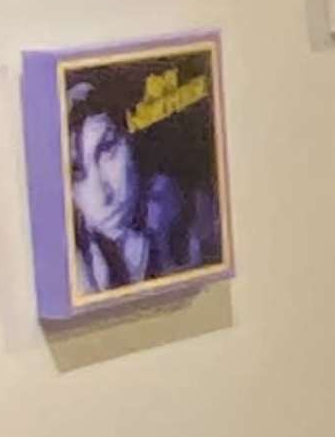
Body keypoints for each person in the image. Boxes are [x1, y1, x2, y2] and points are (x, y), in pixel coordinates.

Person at [66, 57, 221, 295]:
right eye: (77, 171)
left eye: (107, 148)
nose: (102, 193)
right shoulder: (77, 269)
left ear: (129, 138)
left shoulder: (194, 217)